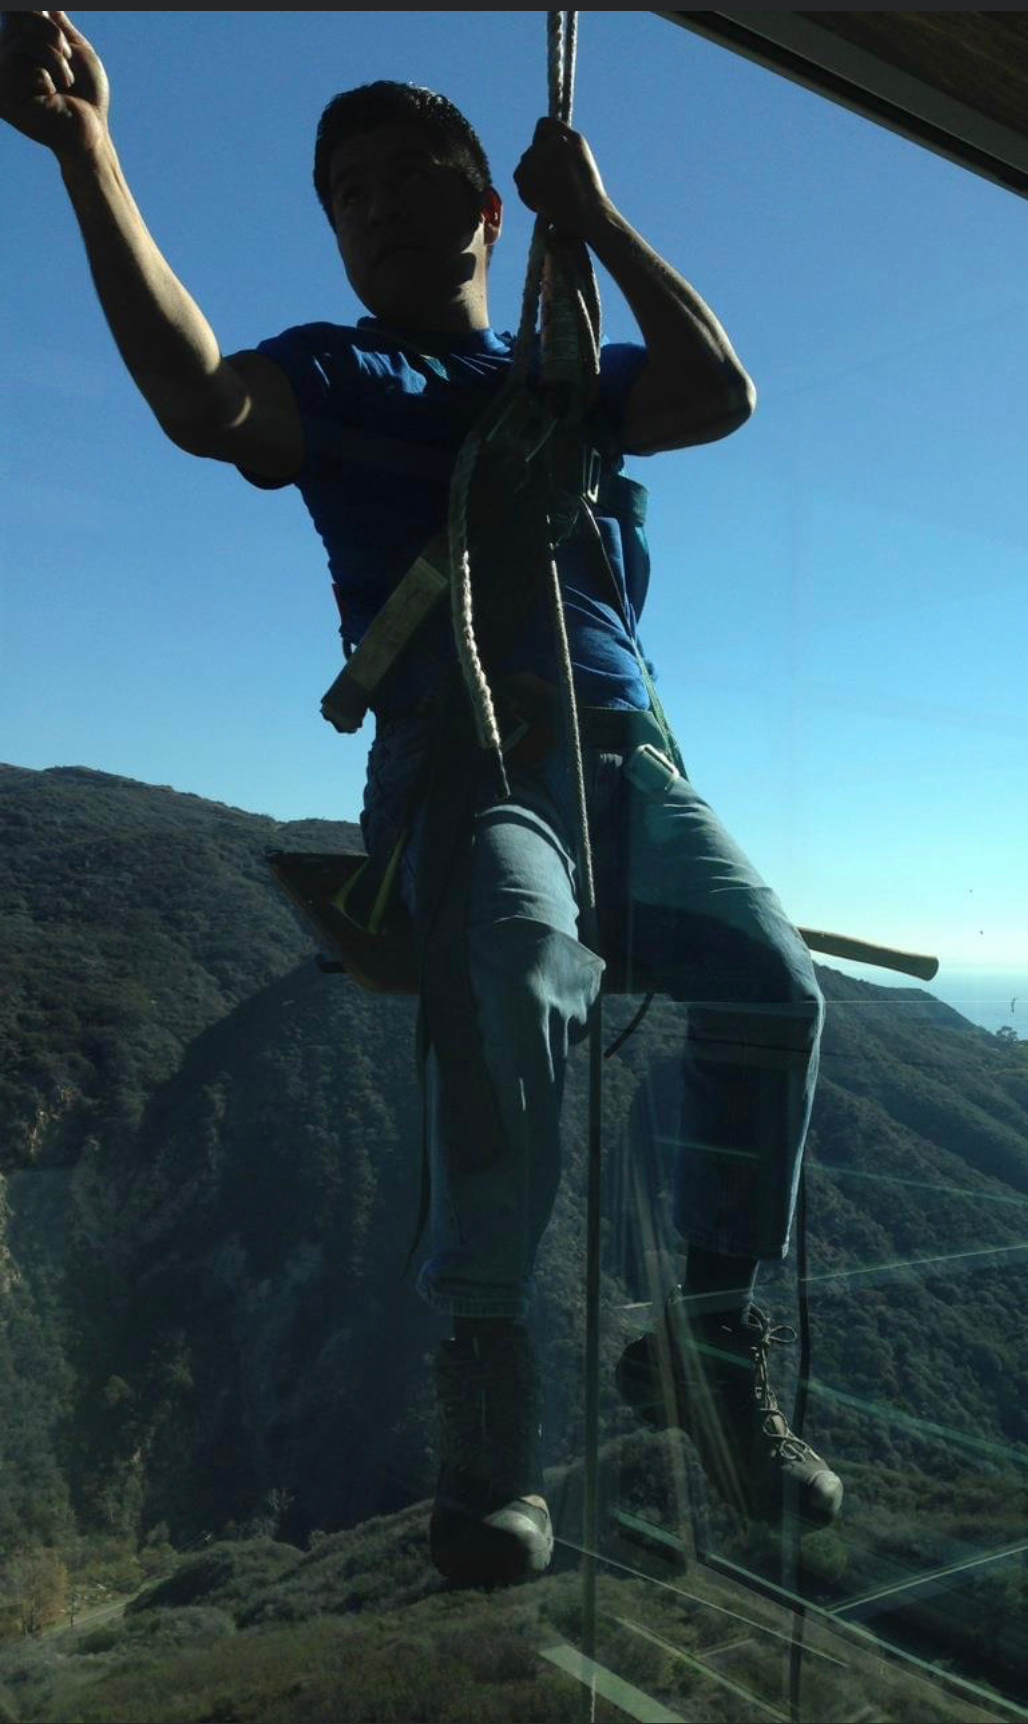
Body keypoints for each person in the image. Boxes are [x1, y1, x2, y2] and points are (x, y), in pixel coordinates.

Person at [1, 9, 841, 1588]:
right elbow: (196, 395)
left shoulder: (562, 377)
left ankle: (714, 1350)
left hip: (625, 762)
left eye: (404, 178)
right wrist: (87, 151)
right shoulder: (340, 372)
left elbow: (722, 392)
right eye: (345, 193)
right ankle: (488, 1391)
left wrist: (600, 224)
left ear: (484, 210)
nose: (371, 207)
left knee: (776, 991)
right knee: (516, 963)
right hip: (467, 753)